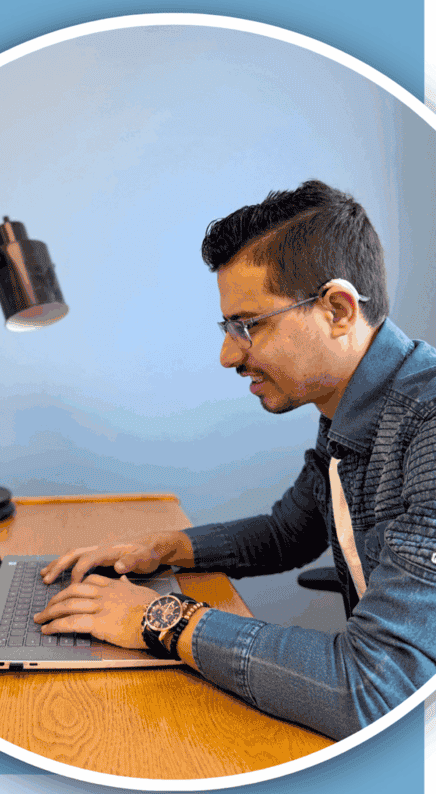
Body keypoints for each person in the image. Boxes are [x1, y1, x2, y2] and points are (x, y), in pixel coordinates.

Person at [35, 179, 436, 741]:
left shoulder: (427, 428)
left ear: (338, 309)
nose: (228, 355)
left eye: (248, 325)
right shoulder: (351, 407)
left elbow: (372, 687)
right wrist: (167, 548)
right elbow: (288, 532)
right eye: (228, 327)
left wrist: (157, 618)